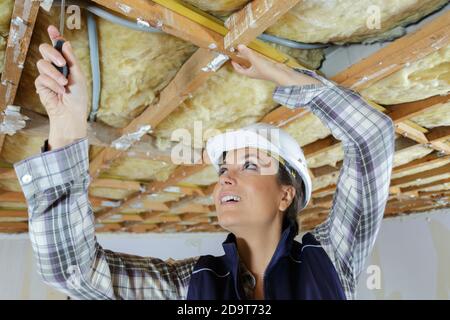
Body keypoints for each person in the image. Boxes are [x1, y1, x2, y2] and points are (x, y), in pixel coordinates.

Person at [14, 25, 395, 300]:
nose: (225, 179)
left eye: (248, 165)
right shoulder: (191, 284)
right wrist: (66, 127)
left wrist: (285, 76)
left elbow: (372, 137)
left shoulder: (329, 261)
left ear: (286, 195)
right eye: (224, 169)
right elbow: (74, 273)